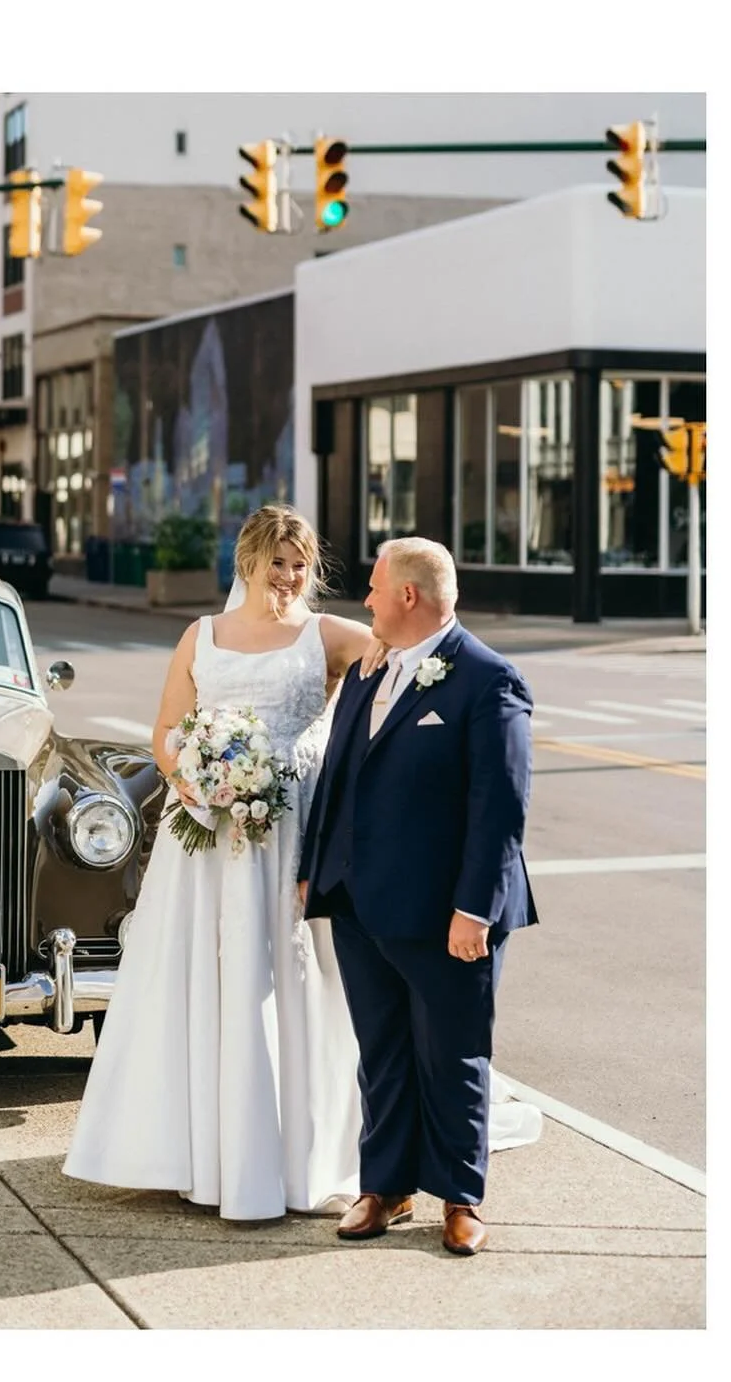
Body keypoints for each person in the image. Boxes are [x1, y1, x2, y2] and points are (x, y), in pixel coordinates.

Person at [63, 505, 373, 1220]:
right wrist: (195, 779)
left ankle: (292, 1151)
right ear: (248, 562)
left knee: (284, 972)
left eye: (301, 564)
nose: (291, 577)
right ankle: (194, 1147)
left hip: (289, 828)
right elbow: (167, 730)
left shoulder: (325, 635)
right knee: (201, 970)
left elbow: (398, 653)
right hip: (204, 832)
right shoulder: (200, 636)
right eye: (278, 563)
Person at [297, 537, 538, 1257]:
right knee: (383, 1051)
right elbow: (338, 774)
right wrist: (316, 867)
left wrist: (476, 910)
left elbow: (501, 805)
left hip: (445, 913)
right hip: (358, 897)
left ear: (408, 595)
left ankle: (461, 1199)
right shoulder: (372, 670)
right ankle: (387, 1188)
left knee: (454, 1053)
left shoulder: (488, 679)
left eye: (373, 587)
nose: (364, 600)